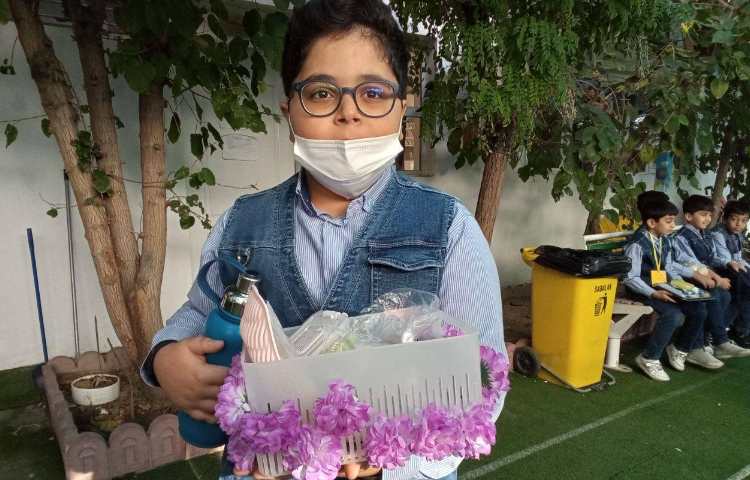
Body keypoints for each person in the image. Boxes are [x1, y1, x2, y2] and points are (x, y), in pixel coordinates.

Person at [139, 1, 506, 479]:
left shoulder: (449, 229)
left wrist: (389, 459)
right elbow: (199, 315)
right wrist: (166, 358)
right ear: (289, 111)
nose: (348, 113)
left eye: (373, 92)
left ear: (402, 107)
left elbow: (482, 386)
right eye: (320, 93)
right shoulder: (241, 224)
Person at [622, 198, 717, 381]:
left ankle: (680, 348)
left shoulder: (664, 239)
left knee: (699, 308)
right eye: (668, 221)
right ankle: (649, 358)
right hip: (642, 290)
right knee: (673, 314)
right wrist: (653, 293)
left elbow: (670, 266)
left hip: (663, 285)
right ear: (652, 223)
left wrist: (683, 285)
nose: (673, 225)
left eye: (673, 220)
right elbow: (630, 277)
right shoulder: (637, 244)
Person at [672, 195, 750, 359]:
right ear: (688, 216)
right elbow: (691, 264)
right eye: (703, 215)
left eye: (709, 215)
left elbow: (713, 258)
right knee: (714, 294)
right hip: (687, 278)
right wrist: (717, 278)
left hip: (704, 275)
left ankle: (710, 339)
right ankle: (718, 341)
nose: (707, 219)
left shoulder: (705, 234)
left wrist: (726, 263)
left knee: (726, 295)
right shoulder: (681, 237)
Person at [712, 199, 750, 348]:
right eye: (734, 219)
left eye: (744, 220)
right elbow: (727, 260)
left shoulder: (738, 235)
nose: (739, 224)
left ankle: (741, 329)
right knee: (744, 290)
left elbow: (739, 259)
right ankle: (738, 331)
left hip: (734, 269)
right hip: (720, 270)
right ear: (725, 218)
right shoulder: (718, 233)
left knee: (745, 289)